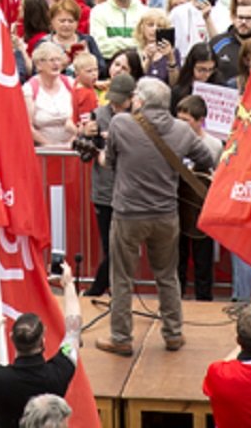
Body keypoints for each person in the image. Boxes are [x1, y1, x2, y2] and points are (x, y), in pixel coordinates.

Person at [96, 77, 214, 355]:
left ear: (140, 100)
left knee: (122, 276)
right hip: (166, 214)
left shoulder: (121, 123)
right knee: (167, 275)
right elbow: (207, 159)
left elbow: (110, 162)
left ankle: (121, 337)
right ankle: (173, 333)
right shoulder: (183, 130)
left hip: (128, 214)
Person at [0, 267, 81, 428]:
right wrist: (69, 285)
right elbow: (73, 332)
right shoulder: (60, 370)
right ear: (43, 341)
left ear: (11, 339)